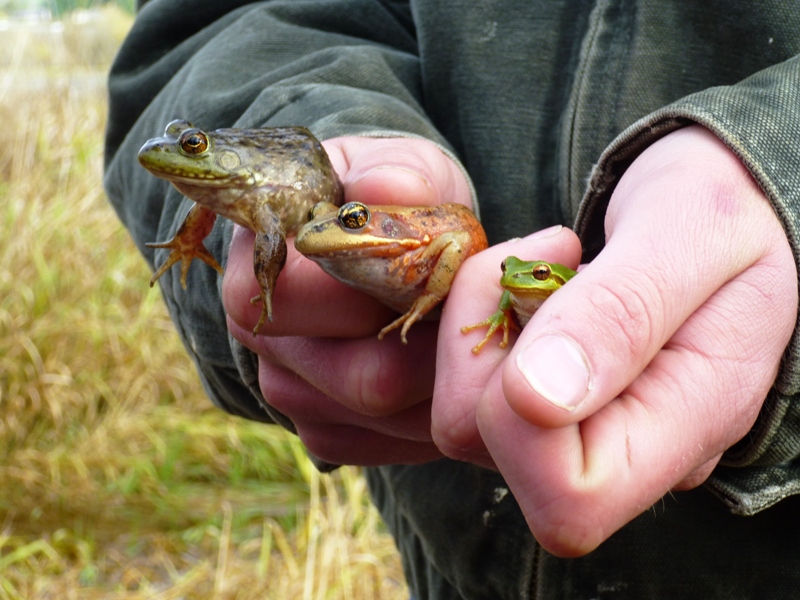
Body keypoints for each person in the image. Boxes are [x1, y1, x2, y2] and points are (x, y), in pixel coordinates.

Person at [104, 1, 800, 597]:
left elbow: (448, 251)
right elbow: (216, 24)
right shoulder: (276, 209)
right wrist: (343, 131)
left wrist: (779, 172)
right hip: (451, 540)